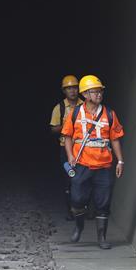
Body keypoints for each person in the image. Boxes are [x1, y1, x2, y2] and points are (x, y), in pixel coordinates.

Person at [62, 74, 124, 250]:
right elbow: (67, 136)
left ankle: (102, 238)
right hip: (81, 164)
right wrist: (70, 157)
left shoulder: (110, 114)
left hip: (104, 166)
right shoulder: (75, 113)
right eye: (95, 92)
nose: (99, 94)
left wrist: (120, 161)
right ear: (85, 95)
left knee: (103, 202)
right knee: (77, 199)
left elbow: (115, 139)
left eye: (100, 91)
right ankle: (79, 226)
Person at [49, 75, 82, 220]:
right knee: (69, 179)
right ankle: (71, 210)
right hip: (65, 149)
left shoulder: (86, 105)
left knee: (85, 179)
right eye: (69, 88)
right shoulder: (60, 108)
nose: (72, 91)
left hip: (84, 149)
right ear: (64, 91)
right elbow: (53, 129)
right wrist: (67, 126)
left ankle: (85, 209)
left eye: (75, 87)